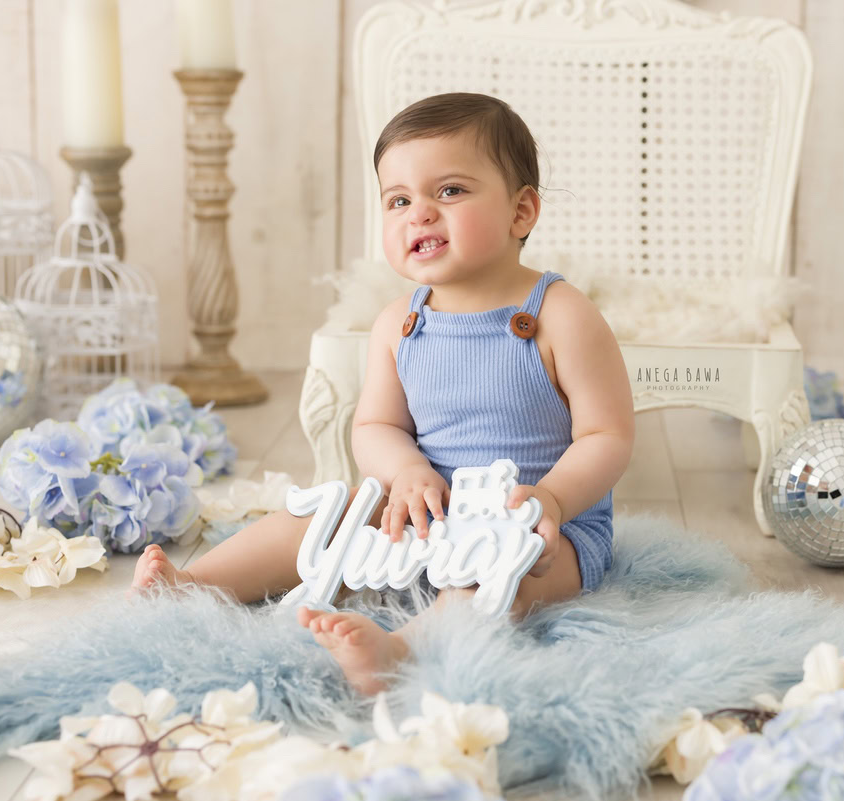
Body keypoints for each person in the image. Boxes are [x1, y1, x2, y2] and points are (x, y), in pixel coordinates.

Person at [130, 92, 635, 695]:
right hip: (428, 510)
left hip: (543, 528)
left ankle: (403, 648)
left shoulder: (560, 313)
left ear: (521, 212)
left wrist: (550, 500)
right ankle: (196, 585)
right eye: (399, 200)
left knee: (507, 578)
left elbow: (607, 436)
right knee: (321, 517)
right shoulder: (399, 323)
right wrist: (408, 472)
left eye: (449, 191)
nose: (419, 213)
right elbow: (375, 427)